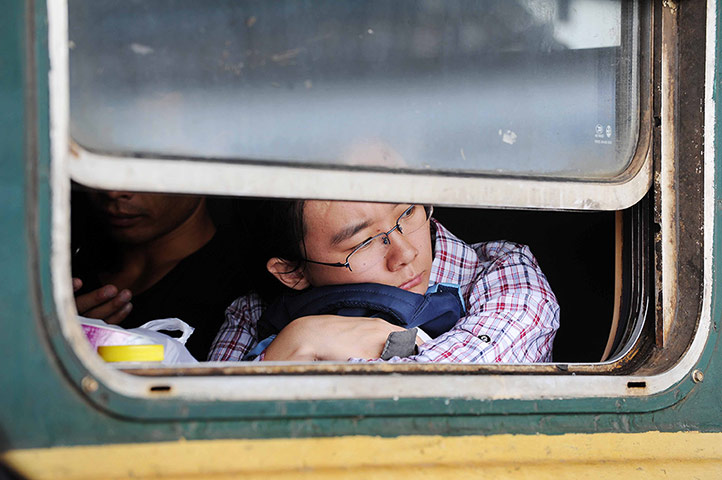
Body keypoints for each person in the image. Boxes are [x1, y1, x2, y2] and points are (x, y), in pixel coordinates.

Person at [209, 200, 559, 363]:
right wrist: (291, 344)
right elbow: (212, 429)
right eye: (362, 242)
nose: (405, 253)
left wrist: (303, 344)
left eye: (407, 213)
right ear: (292, 272)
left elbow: (448, 397)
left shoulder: (503, 273)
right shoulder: (252, 313)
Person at [72, 189, 252, 360]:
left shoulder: (246, 295)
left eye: (145, 166)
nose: (114, 192)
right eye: (105, 164)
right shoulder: (61, 262)